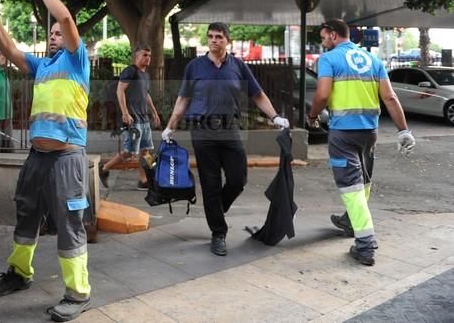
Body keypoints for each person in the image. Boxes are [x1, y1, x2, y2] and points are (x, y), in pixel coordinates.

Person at [0, 0, 91, 322]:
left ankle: (77, 292)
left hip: (67, 158)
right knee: (26, 217)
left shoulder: (77, 61)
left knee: (70, 224)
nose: (56, 34)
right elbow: (9, 51)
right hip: (37, 158)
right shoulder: (42, 66)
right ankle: (20, 274)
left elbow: (68, 19)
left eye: (59, 32)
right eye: (52, 32)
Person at [162, 22, 289, 257]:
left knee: (237, 178)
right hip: (202, 130)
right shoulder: (195, 67)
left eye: (219, 36)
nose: (213, 40)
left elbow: (257, 95)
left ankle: (217, 208)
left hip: (229, 128)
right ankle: (218, 233)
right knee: (210, 183)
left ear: (227, 40)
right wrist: (170, 126)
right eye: (210, 36)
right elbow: (183, 99)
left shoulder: (238, 67)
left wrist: (275, 117)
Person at [307, 19, 415, 266]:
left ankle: (365, 245)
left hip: (343, 133)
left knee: (351, 186)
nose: (323, 43)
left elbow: (322, 94)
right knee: (363, 181)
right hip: (370, 132)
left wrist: (312, 116)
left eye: (324, 38)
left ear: (333, 36)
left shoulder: (329, 59)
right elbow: (389, 96)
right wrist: (403, 130)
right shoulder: (373, 61)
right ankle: (348, 220)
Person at [99, 45, 161, 190]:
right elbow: (120, 91)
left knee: (144, 151)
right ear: (137, 57)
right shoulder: (130, 71)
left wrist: (154, 112)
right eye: (145, 55)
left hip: (144, 118)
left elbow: (146, 95)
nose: (148, 58)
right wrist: (125, 113)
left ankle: (144, 180)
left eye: (149, 55)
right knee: (130, 151)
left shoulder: (145, 75)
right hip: (132, 119)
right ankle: (104, 168)